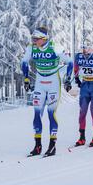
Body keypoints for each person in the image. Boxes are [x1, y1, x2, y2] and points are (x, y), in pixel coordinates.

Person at [21, 26, 73, 157]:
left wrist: (68, 79)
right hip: (39, 82)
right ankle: (37, 146)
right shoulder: (31, 48)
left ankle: (52, 145)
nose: (34, 41)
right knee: (37, 113)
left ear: (44, 39)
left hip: (53, 82)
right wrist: (26, 78)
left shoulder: (55, 47)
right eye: (33, 38)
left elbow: (70, 62)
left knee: (51, 114)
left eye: (36, 39)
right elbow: (24, 62)